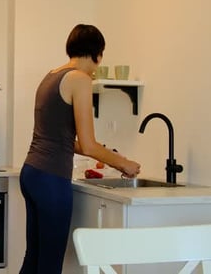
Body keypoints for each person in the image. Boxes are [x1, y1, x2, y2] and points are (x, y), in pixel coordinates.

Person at [19, 24, 141, 274]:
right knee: (50, 264)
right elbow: (88, 144)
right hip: (51, 179)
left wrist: (109, 155)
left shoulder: (51, 75)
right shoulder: (80, 79)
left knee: (34, 258)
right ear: (98, 54)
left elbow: (63, 139)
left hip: (32, 173)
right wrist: (123, 163)